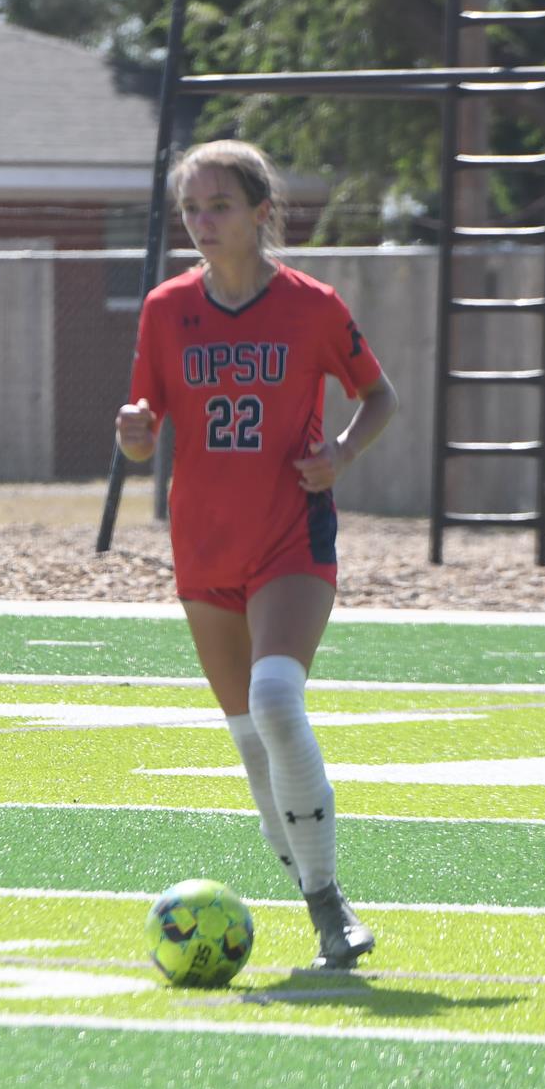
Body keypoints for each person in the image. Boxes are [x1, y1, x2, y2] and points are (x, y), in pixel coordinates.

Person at [116, 139, 399, 971]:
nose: (204, 222)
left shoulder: (311, 306)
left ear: (262, 213)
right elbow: (144, 433)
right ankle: (317, 901)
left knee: (277, 699)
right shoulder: (167, 308)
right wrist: (134, 434)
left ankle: (329, 905)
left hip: (289, 535)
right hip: (203, 540)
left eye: (221, 206)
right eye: (192, 209)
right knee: (248, 736)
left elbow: (378, 395)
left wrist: (341, 453)